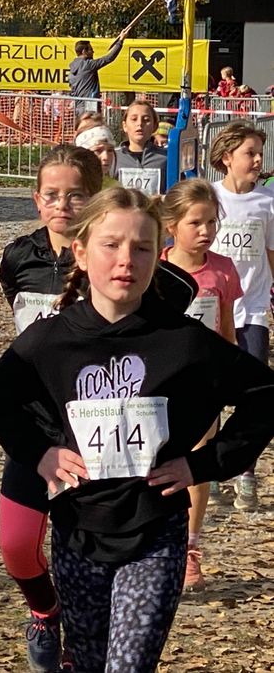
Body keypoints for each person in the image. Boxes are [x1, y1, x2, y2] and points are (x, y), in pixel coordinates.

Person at [0, 187, 274, 673]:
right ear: (81, 251)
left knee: (129, 666)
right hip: (77, 529)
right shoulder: (51, 339)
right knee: (90, 664)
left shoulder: (182, 342)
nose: (125, 261)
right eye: (110, 245)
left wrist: (203, 463)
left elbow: (263, 395)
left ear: (157, 255)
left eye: (140, 248)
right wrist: (42, 453)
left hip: (155, 531)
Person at [0, 147, 195, 671]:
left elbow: (175, 314)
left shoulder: (132, 265)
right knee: (16, 544)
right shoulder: (18, 257)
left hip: (109, 446)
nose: (62, 205)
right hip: (43, 433)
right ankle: (45, 611)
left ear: (95, 199)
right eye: (52, 194)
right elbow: (5, 366)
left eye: (76, 195)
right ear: (37, 200)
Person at [161, 178, 243, 590]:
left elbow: (227, 331)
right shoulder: (154, 267)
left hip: (202, 385)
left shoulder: (223, 270)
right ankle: (156, 542)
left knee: (195, 461)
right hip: (158, 383)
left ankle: (191, 548)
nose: (206, 231)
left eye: (212, 221)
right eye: (196, 222)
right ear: (171, 225)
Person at [210, 121, 274, 510]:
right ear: (226, 158)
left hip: (252, 310)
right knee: (211, 394)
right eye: (250, 152)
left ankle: (246, 471)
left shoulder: (268, 202)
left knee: (255, 394)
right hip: (214, 313)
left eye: (259, 153)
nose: (257, 160)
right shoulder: (209, 197)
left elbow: (271, 254)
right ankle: (212, 471)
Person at [68, 27, 129, 113]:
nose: (93, 52)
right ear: (83, 51)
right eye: (91, 49)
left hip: (78, 107)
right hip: (90, 106)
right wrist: (121, 41)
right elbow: (108, 58)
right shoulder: (88, 65)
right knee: (93, 126)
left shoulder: (71, 71)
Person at [114, 99, 167, 195]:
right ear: (125, 125)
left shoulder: (166, 158)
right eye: (134, 119)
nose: (139, 124)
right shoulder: (113, 158)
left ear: (155, 126)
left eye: (146, 120)